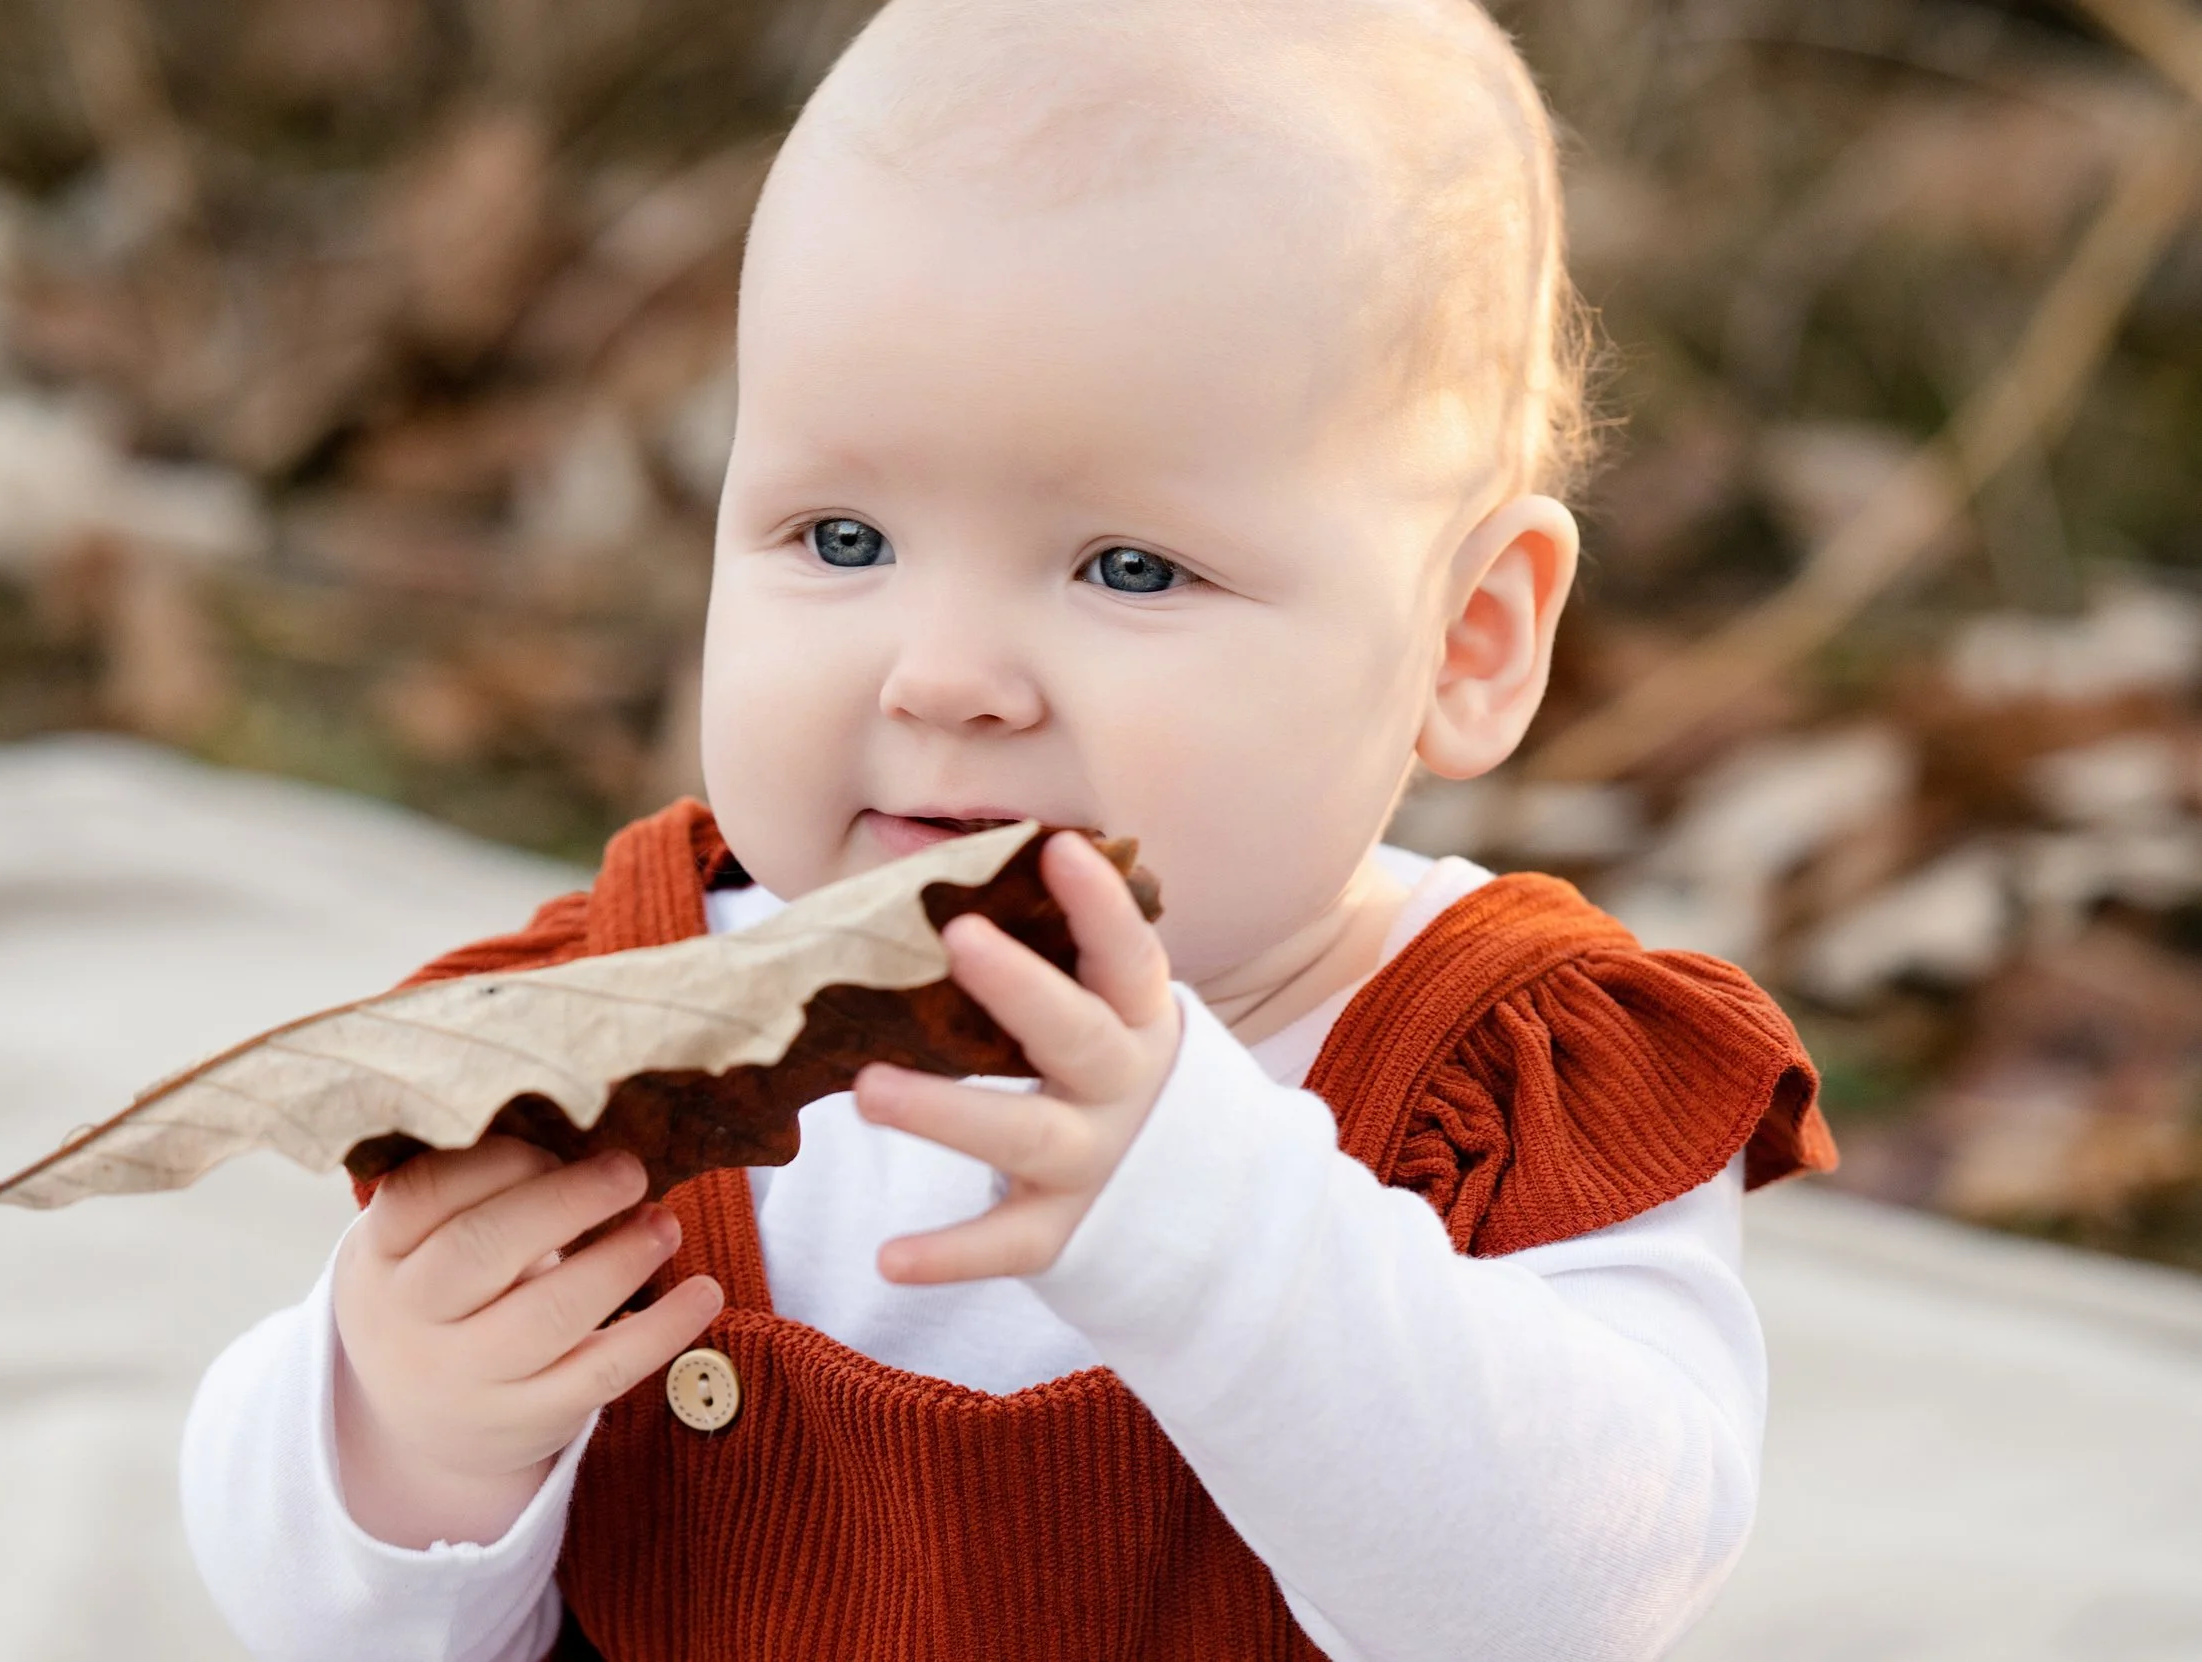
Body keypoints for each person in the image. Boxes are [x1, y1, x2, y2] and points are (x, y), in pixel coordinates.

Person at [181, 1, 1836, 1656]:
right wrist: (402, 1438)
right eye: (842, 536)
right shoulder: (626, 1039)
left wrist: (1220, 1227)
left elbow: (1574, 1596)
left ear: (1465, 642)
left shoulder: (1512, 1080)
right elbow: (324, 1618)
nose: (949, 674)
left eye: (1129, 566)